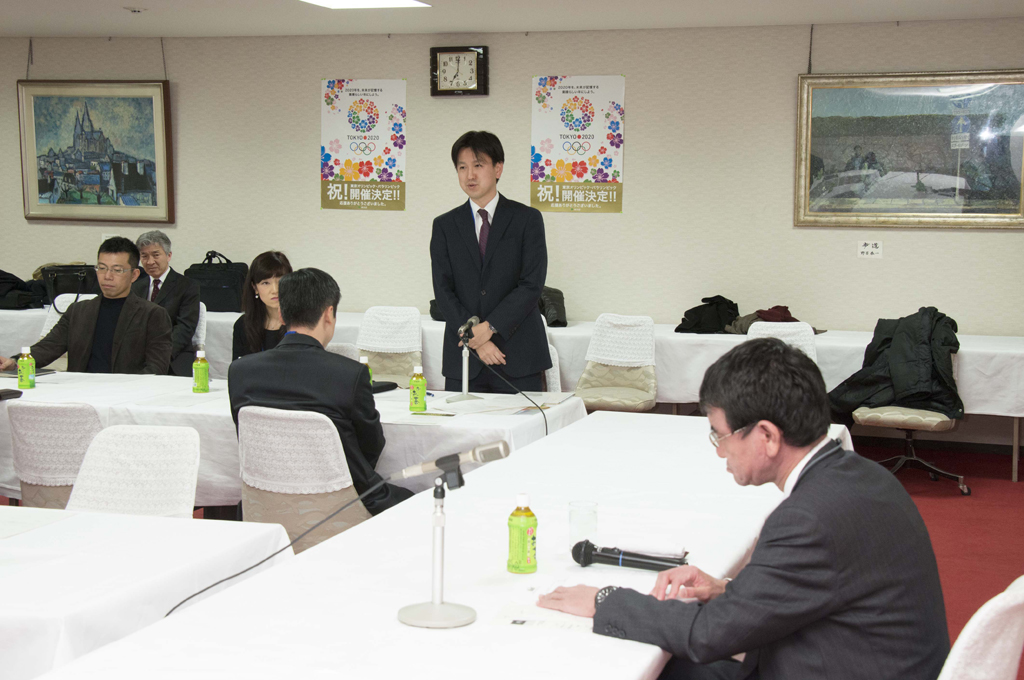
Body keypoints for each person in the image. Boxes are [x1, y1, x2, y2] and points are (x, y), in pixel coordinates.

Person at [538, 338, 949, 680]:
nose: (719, 452)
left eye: (719, 435)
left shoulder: (807, 520)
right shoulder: (864, 475)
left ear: (766, 436)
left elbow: (708, 635)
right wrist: (727, 590)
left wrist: (605, 599)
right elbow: (820, 584)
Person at [228, 268, 412, 516]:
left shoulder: (240, 371)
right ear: (328, 313)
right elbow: (371, 445)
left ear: (281, 314)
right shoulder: (349, 374)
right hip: (343, 505)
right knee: (421, 501)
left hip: (265, 504)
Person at [430, 130, 551, 393]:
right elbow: (443, 290)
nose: (469, 175)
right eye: (462, 167)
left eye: (478, 165)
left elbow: (531, 285)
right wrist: (478, 339)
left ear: (498, 168)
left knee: (525, 421)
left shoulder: (527, 219)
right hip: (465, 357)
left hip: (518, 355)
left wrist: (491, 327)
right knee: (462, 421)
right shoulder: (444, 225)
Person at [0, 237, 172, 374]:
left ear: (134, 275)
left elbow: (156, 368)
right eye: (102, 268)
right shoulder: (78, 311)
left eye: (117, 270)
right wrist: (15, 362)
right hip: (81, 391)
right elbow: (48, 347)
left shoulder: (152, 314)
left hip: (127, 395)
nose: (107, 276)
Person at [131, 230, 201, 376]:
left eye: (156, 255)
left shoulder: (187, 286)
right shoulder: (135, 287)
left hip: (174, 355)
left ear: (168, 255)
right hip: (139, 356)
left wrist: (159, 355)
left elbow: (185, 327)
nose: (150, 262)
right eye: (144, 256)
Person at [232, 251, 292, 361]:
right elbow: (238, 367)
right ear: (255, 287)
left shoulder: (302, 323)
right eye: (266, 283)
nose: (275, 290)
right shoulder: (243, 325)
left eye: (281, 281)